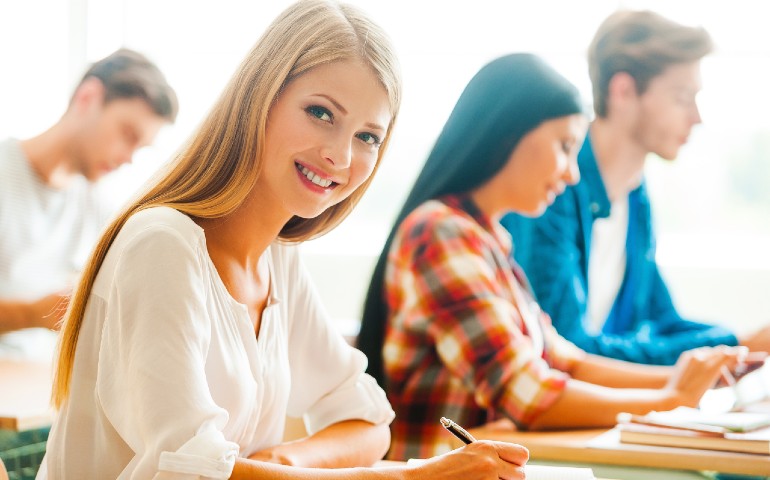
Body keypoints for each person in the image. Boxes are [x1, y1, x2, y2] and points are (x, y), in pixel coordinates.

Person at [38, 2, 528, 479]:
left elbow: (368, 422)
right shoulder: (162, 246)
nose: (340, 155)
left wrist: (281, 464)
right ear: (260, 97)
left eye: (368, 137)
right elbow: (192, 474)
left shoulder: (277, 258)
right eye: (320, 112)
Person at [357, 53, 746, 460]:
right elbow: (528, 395)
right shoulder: (439, 232)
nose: (572, 174)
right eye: (564, 147)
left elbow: (567, 362)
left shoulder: (490, 242)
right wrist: (669, 399)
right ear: (509, 132)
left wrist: (680, 381)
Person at [499, 10, 770, 365]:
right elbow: (569, 347)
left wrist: (739, 348)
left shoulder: (634, 196)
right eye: (682, 97)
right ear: (623, 90)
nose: (697, 117)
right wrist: (737, 344)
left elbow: (660, 320)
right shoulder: (552, 188)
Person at [0, 48, 178, 360]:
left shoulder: (99, 212)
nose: (129, 158)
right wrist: (35, 313)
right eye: (127, 134)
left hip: (37, 388)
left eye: (141, 147)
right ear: (88, 97)